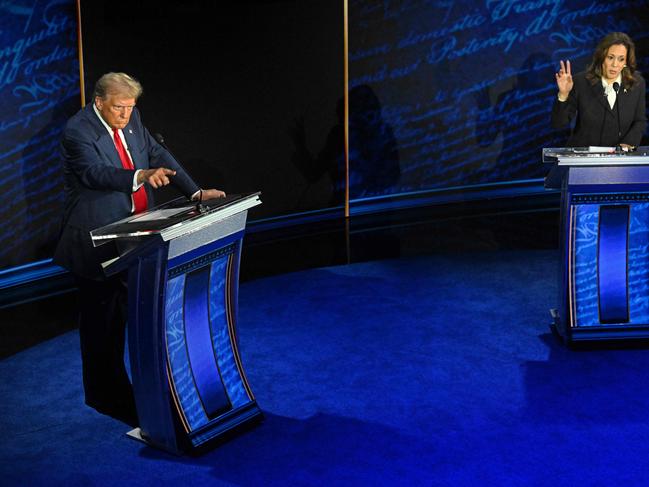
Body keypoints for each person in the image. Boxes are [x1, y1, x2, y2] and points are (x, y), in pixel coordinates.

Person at [54, 72, 225, 426]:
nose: (126, 115)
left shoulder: (133, 117)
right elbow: (94, 173)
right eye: (120, 108)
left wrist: (193, 191)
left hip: (137, 236)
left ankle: (150, 393)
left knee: (143, 315)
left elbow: (156, 152)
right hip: (95, 241)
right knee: (103, 326)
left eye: (131, 107)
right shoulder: (78, 131)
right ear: (99, 102)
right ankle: (105, 396)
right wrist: (140, 176)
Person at [552, 32, 646, 149]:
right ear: (601, 57)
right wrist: (563, 94)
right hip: (584, 159)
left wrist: (626, 145)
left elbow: (639, 121)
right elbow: (559, 123)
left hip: (619, 160)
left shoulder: (636, 83)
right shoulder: (581, 82)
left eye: (621, 59)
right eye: (610, 58)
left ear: (626, 62)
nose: (615, 64)